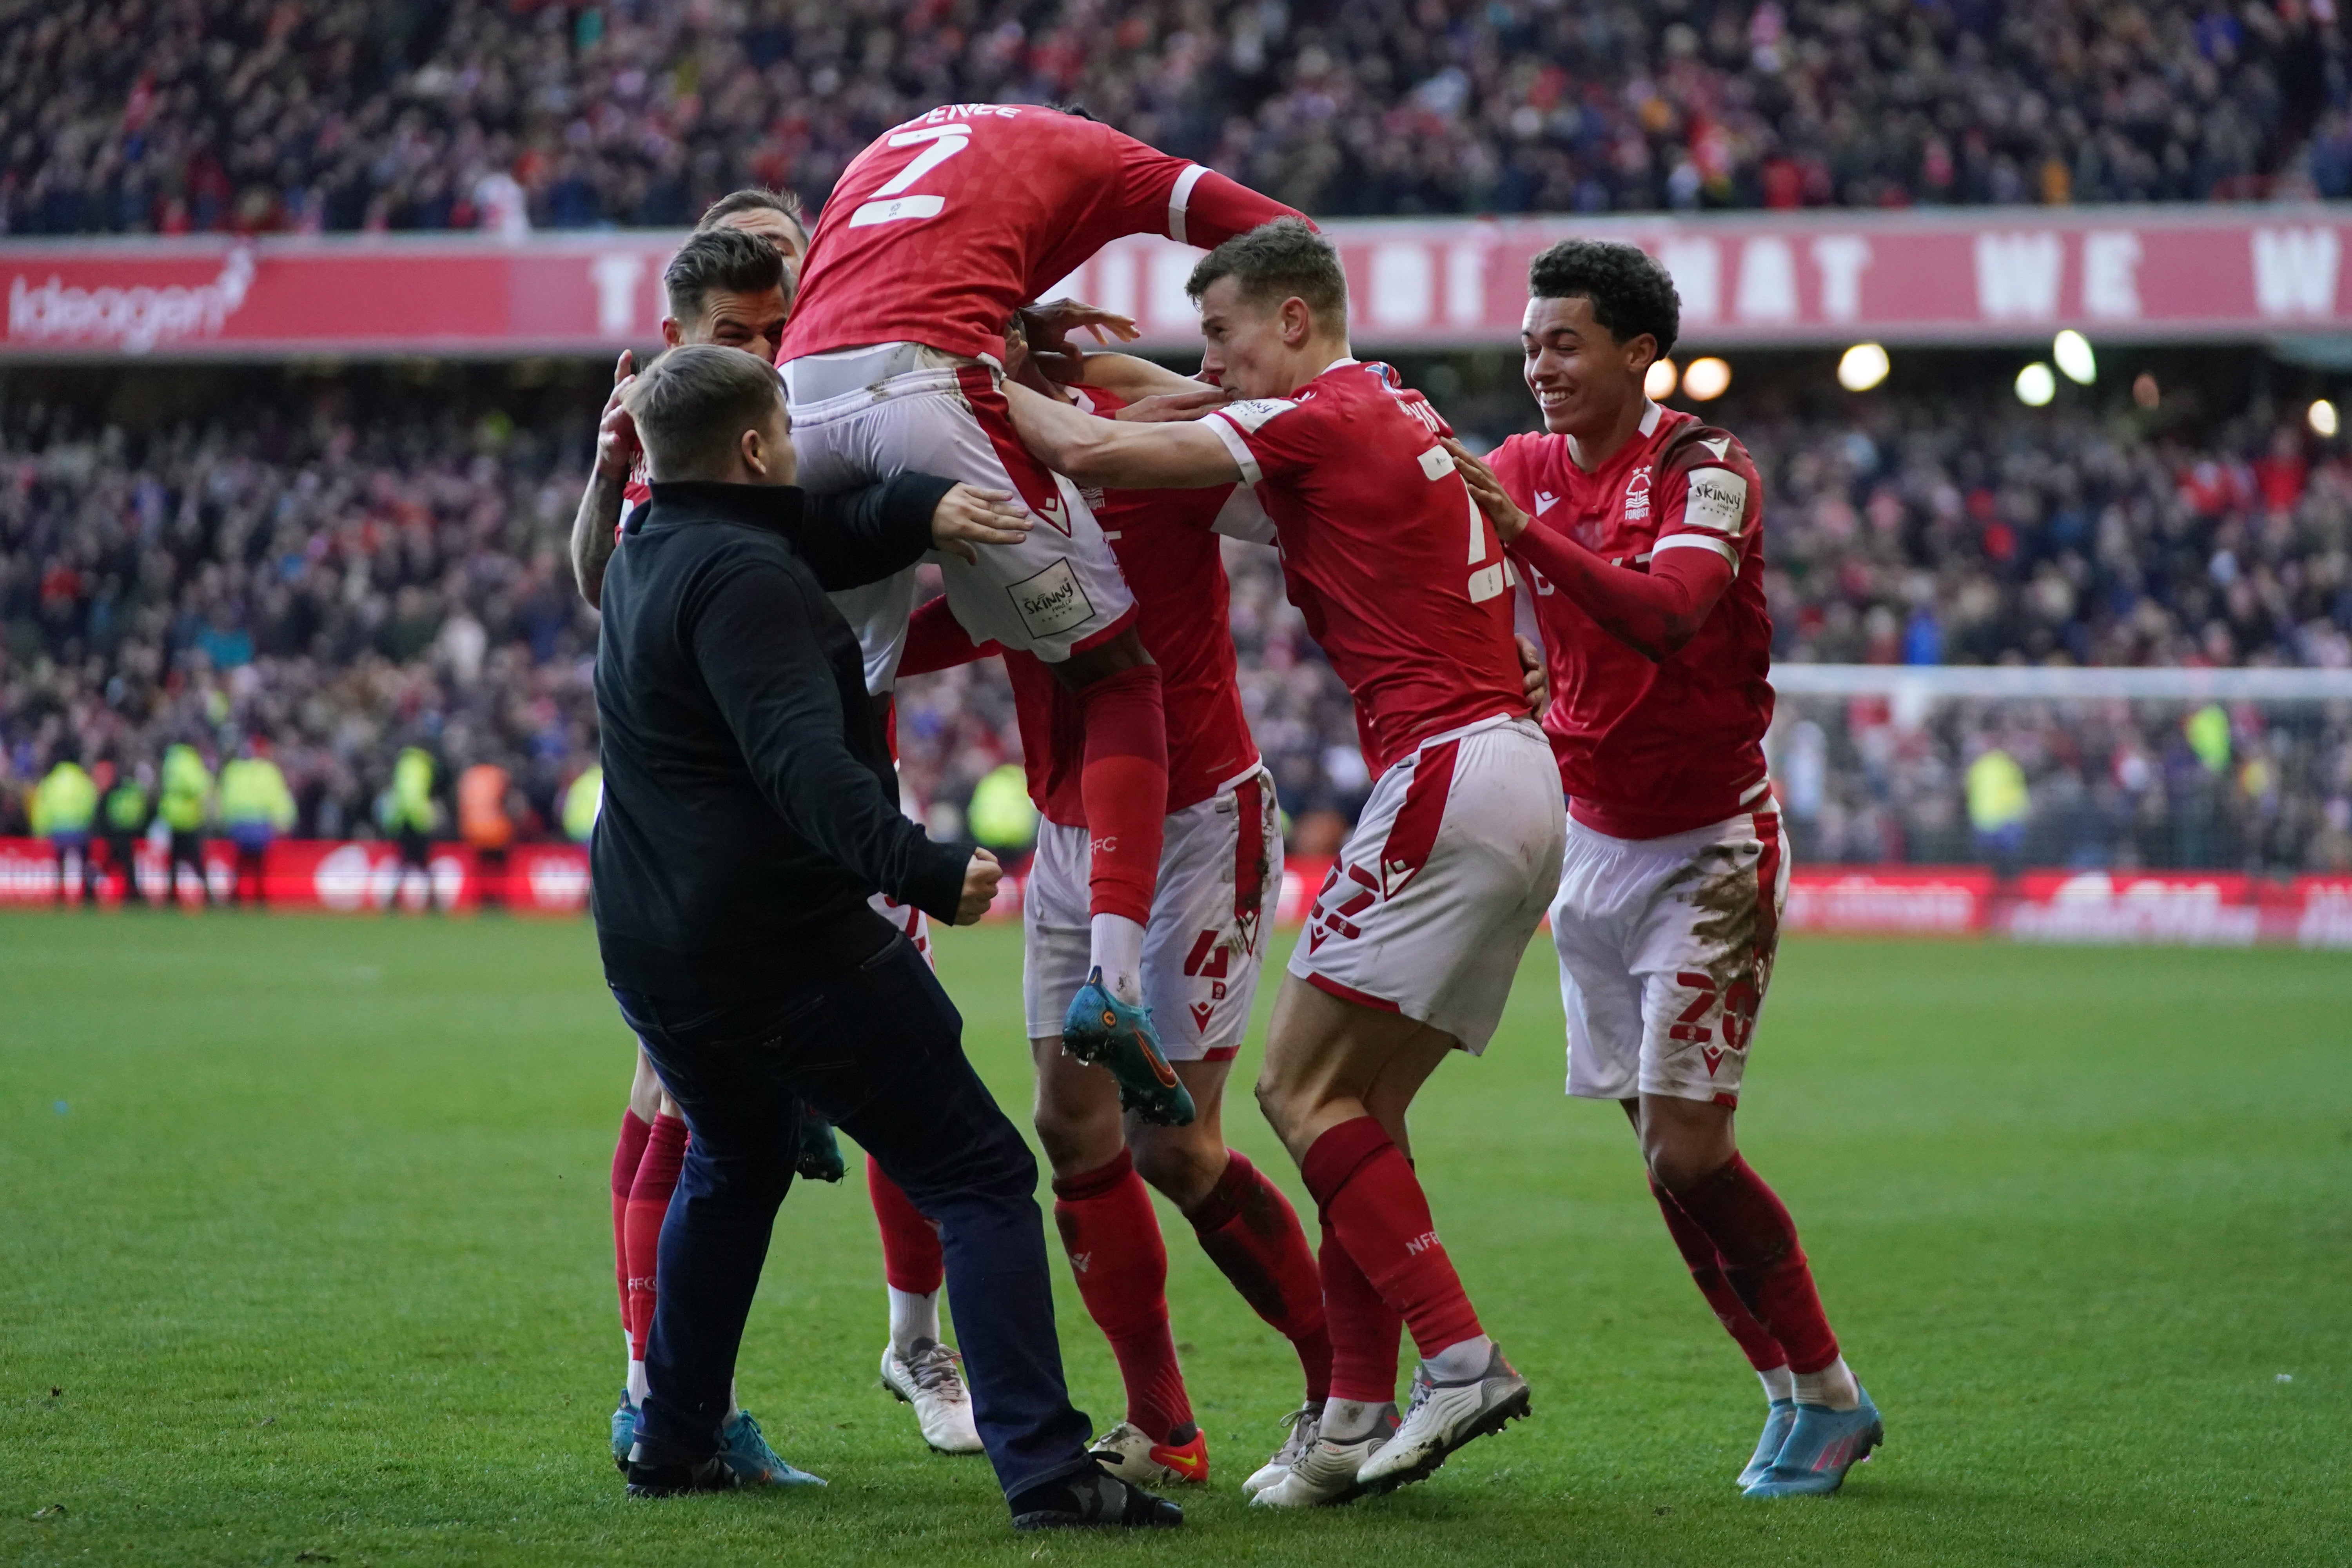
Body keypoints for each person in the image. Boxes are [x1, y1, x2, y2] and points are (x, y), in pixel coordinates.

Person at [1004, 219, 1567, 1505]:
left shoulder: (1311, 420)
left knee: (1297, 1095)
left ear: (1297, 324)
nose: (1206, 361)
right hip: (1518, 777)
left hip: (1447, 772)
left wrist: (954, 383)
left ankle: (1461, 1358)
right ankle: (1352, 1416)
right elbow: (1188, 402)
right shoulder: (1387, 408)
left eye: (1224, 332)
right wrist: (1095, 365)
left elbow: (1092, 444)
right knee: (1357, 1114)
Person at [594, 343, 1176, 1531]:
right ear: (757, 448)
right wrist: (915, 864)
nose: (805, 456)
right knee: (977, 1169)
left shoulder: (652, 548)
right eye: (790, 438)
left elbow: (831, 529)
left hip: (651, 944)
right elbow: (799, 759)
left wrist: (919, 509)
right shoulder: (749, 577)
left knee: (734, 1156)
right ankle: (1047, 1471)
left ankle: (673, 1438)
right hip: (779, 940)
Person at [1443, 238, 1883, 1499]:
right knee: (1659, 1162)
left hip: (1707, 849)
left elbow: (1667, 611)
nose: (1539, 368)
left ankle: (1828, 1391)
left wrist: (1521, 536)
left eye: (1564, 342)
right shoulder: (1524, 464)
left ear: (1639, 352)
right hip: (1591, 847)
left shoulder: (1706, 470)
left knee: (1690, 1152)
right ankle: (1797, 1397)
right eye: (1529, 345)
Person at [882, 316, 1338, 1492]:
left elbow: (1296, 471)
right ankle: (1161, 1422)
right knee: (1070, 1128)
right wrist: (851, 646)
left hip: (1197, 821)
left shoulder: (1147, 438)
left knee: (1174, 1146)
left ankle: (1348, 1388)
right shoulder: (970, 469)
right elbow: (969, 616)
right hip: (1070, 828)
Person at [778, 102, 1304, 1097]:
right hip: (923, 386)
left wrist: (1057, 347)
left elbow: (969, 620)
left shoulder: (889, 145)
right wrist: (1286, 380)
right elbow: (1285, 236)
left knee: (839, 683)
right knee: (1116, 673)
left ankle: (791, 999)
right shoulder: (1103, 164)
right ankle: (1113, 986)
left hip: (801, 395)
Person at [573, 213, 987, 1467]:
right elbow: (605, 578)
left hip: (840, 785)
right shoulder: (693, 441)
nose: (773, 348)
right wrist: (605, 472)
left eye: (782, 321)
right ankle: (662, 1392)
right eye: (743, 334)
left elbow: (869, 543)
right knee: (701, 1108)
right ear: (676, 344)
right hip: (730, 820)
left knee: (843, 1102)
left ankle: (907, 1345)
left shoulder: (837, 392)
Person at [219, 738, 296, 906]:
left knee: (241, 862)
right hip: (261, 822)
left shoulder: (235, 770)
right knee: (259, 863)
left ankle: (237, 897)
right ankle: (260, 897)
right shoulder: (269, 772)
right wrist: (284, 820)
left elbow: (226, 797)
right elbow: (278, 798)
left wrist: (226, 820)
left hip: (240, 822)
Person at [31, 749, 99, 906]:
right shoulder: (83, 779)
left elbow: (43, 806)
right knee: (83, 862)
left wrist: (40, 830)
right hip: (79, 828)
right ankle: (86, 894)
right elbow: (91, 802)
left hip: (58, 829)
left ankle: (59, 894)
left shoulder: (51, 781)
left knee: (59, 865)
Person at [378, 746, 441, 911]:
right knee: (421, 862)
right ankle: (432, 900)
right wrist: (423, 820)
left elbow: (400, 795)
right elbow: (414, 797)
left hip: (404, 821)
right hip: (416, 822)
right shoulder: (421, 766)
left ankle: (395, 899)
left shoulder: (403, 765)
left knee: (406, 862)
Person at [158, 741, 215, 907]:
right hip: (189, 817)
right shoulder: (190, 761)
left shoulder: (171, 761)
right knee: (196, 859)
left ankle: (170, 895)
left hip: (173, 816)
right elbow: (197, 786)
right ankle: (208, 895)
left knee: (175, 859)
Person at [457, 758, 518, 909]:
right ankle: (497, 900)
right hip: (497, 829)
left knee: (480, 868)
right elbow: (508, 802)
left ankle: (482, 900)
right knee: (498, 869)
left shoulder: (469, 776)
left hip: (473, 829)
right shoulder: (498, 775)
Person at [102, 756, 153, 906]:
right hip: (127, 833)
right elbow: (144, 811)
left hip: (120, 833)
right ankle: (131, 892)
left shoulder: (116, 791)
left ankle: (128, 893)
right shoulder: (134, 791)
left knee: (123, 864)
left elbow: (107, 812)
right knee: (125, 865)